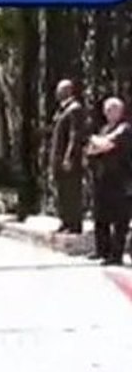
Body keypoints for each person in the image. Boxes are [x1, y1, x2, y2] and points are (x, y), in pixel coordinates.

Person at [86, 97, 132, 266]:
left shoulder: (125, 128)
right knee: (101, 216)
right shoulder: (105, 128)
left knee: (120, 219)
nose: (108, 112)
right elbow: (91, 150)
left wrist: (98, 141)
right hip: (103, 178)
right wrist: (98, 143)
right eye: (106, 109)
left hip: (120, 181)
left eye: (112, 109)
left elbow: (106, 145)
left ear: (120, 111)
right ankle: (102, 250)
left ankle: (116, 255)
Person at [49, 79, 87, 234]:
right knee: (62, 191)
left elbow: (74, 135)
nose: (58, 93)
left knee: (71, 191)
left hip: (68, 160)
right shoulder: (62, 110)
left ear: (69, 91)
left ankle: (74, 224)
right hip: (58, 158)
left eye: (61, 90)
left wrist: (68, 157)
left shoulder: (74, 109)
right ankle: (65, 221)